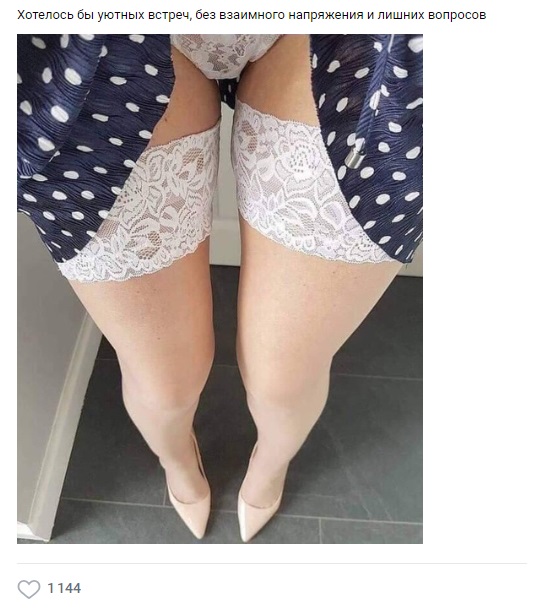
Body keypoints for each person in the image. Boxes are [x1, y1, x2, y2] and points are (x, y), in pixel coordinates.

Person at [17, 34, 423, 542]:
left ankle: (270, 466)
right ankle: (177, 462)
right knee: (165, 384)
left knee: (283, 381)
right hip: (81, 46)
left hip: (375, 42)